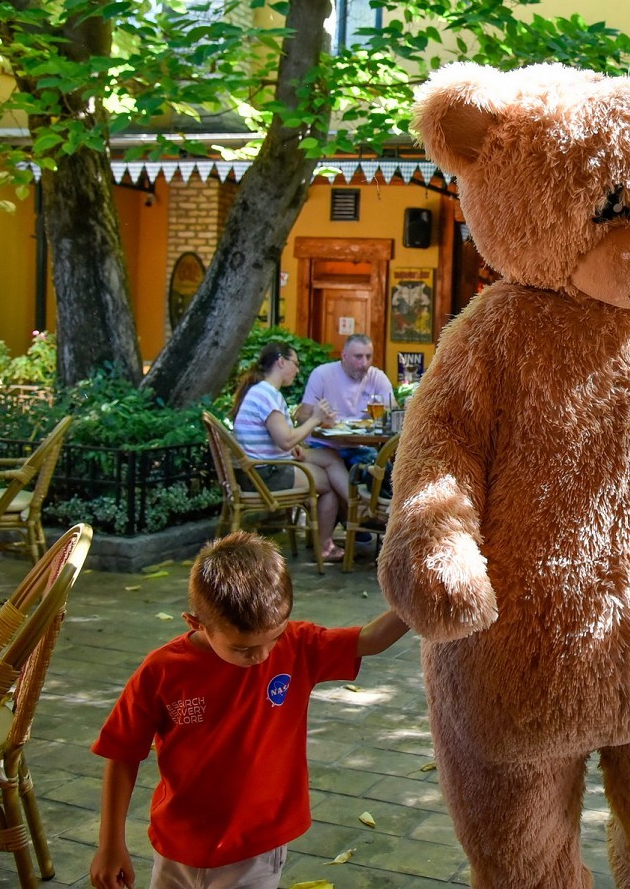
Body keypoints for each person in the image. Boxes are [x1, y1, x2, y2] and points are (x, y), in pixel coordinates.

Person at [89, 531, 409, 889]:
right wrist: (110, 843)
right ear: (196, 623)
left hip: (255, 847)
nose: (262, 656)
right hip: (177, 844)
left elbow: (370, 640)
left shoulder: (298, 646)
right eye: (243, 649)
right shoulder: (161, 671)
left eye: (274, 637)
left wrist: (422, 599)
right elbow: (121, 754)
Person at [231, 341, 350, 563]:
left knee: (331, 457)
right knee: (329, 485)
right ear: (281, 362)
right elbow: (286, 440)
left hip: (261, 468)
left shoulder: (262, 391)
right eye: (295, 363)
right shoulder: (267, 395)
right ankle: (326, 545)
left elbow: (280, 438)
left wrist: (301, 436)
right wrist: (315, 418)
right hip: (264, 475)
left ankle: (357, 507)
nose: (297, 369)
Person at [295, 333, 395, 468]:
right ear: (344, 356)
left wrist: (389, 411)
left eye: (368, 357)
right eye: (358, 357)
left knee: (385, 471)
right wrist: (319, 420)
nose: (364, 363)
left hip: (359, 447)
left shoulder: (377, 377)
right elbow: (302, 417)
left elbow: (393, 410)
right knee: (363, 470)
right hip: (324, 445)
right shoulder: (322, 374)